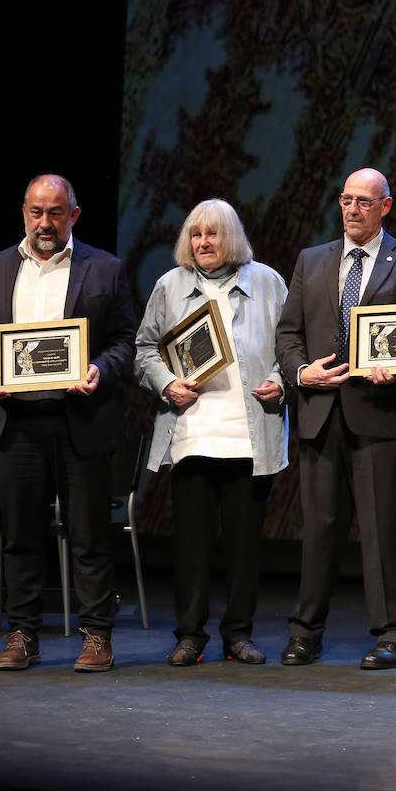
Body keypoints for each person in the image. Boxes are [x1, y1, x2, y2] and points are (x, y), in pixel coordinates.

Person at [0, 174, 136, 672]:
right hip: (15, 422)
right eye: (37, 212)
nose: (45, 222)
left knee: (88, 535)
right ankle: (23, 635)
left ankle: (96, 635)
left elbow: (125, 338)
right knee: (21, 534)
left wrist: (99, 369)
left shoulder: (105, 267)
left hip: (80, 418)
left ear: (74, 216)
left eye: (55, 213)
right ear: (23, 212)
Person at [274, 168, 396, 670]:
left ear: (385, 207)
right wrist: (302, 373)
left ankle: (393, 632)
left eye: (364, 202)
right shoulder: (312, 259)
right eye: (346, 200)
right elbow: (288, 334)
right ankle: (306, 632)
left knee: (380, 528)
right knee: (320, 528)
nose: (352, 209)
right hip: (322, 413)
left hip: (381, 413)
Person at [135, 198, 288, 667]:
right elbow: (144, 350)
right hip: (193, 435)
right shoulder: (169, 285)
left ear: (232, 238)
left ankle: (238, 635)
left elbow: (294, 343)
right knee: (192, 546)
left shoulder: (266, 282)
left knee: (243, 547)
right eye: (196, 234)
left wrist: (281, 381)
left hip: (249, 434)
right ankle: (190, 635)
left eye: (214, 233)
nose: (204, 242)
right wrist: (166, 382)